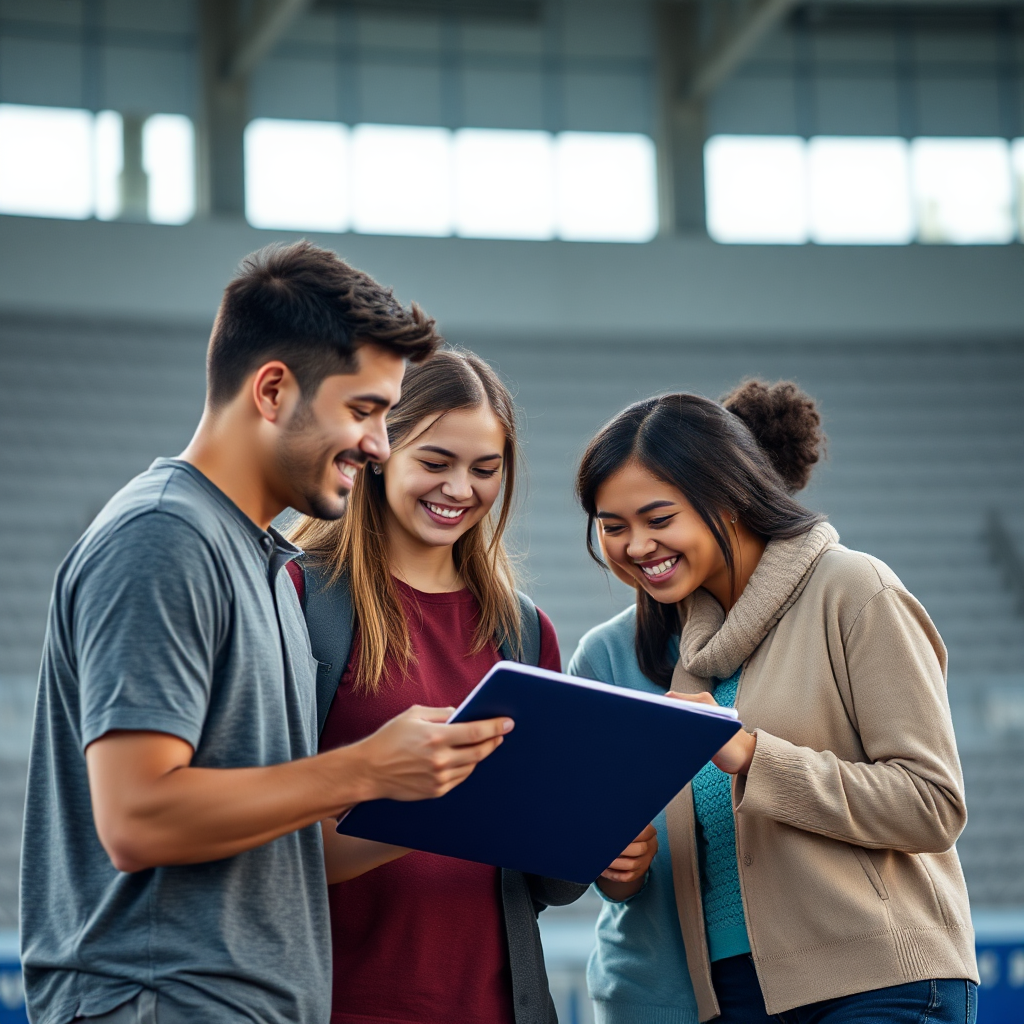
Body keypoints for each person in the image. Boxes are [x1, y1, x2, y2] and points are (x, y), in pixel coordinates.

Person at [20, 243, 517, 1024]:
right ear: (275, 390)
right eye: (363, 411)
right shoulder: (161, 538)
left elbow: (284, 841)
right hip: (160, 1001)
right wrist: (362, 767)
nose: (380, 446)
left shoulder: (261, 563)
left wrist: (433, 789)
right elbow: (137, 817)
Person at [567, 380, 979, 1024]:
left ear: (727, 500)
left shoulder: (853, 590)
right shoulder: (624, 648)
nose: (636, 546)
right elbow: (616, 852)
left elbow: (932, 803)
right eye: (612, 527)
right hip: (724, 999)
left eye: (658, 519)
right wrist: (615, 865)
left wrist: (752, 754)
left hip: (875, 983)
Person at [287, 348, 655, 1024]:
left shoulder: (522, 631)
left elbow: (546, 879)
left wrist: (605, 853)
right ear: (376, 452)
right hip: (338, 1002)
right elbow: (259, 841)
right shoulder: (300, 599)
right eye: (436, 463)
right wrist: (432, 805)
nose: (461, 489)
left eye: (485, 470)